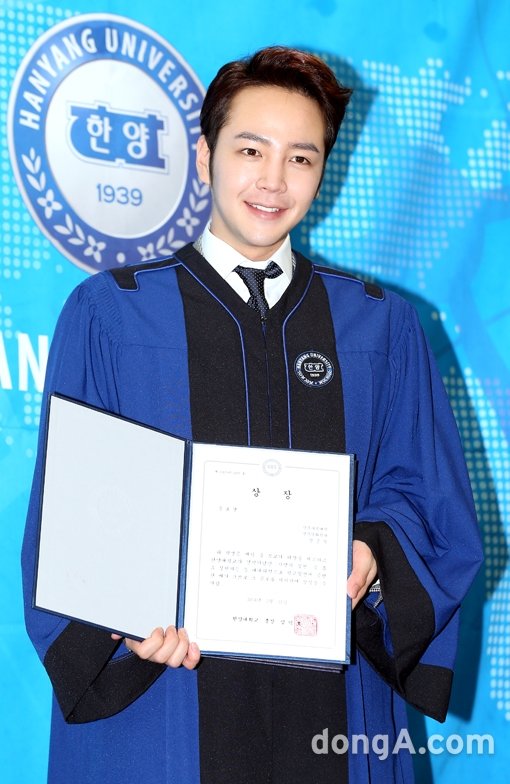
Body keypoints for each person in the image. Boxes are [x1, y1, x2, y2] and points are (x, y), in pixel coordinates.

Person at [22, 46, 482, 784]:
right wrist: (122, 627)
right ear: (205, 157)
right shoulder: (113, 315)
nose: (273, 180)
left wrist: (372, 555)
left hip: (332, 700)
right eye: (250, 150)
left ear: (324, 170)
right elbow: (72, 527)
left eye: (301, 158)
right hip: (167, 700)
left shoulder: (380, 327)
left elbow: (428, 501)